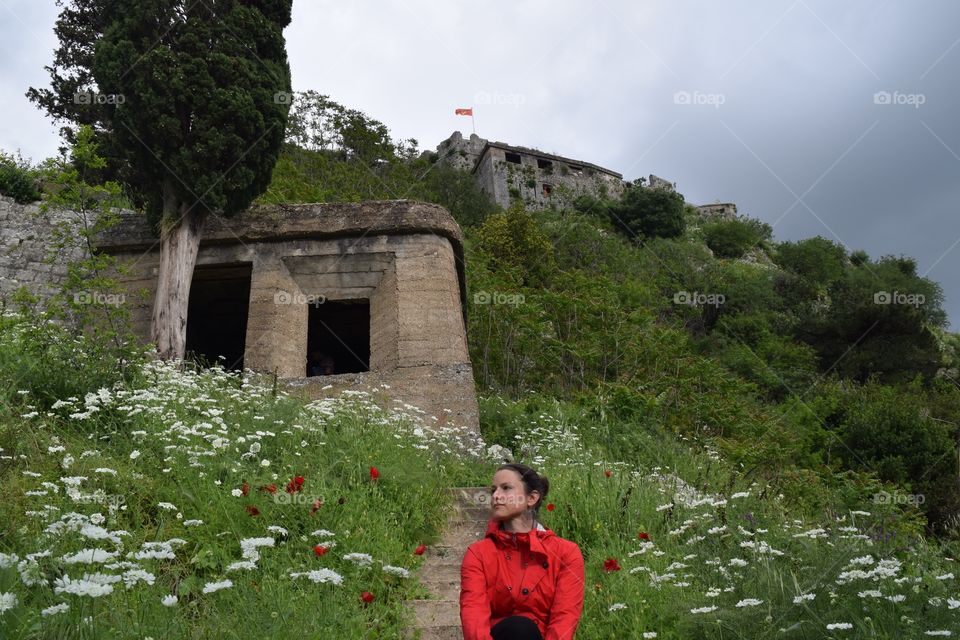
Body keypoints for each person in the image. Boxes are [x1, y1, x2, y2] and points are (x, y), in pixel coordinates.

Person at [460, 463, 585, 640]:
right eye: (493, 490)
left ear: (532, 498)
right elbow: (473, 615)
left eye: (506, 488)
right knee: (518, 628)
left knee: (522, 628)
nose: (496, 496)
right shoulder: (478, 553)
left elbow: (565, 617)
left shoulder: (566, 553)